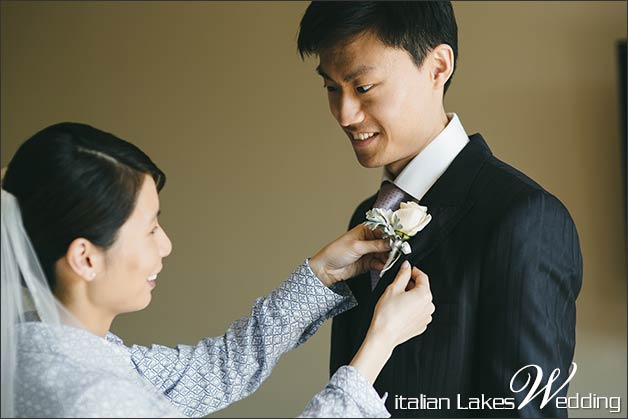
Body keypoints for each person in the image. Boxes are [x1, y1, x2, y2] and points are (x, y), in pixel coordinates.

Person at [0, 122, 436, 418]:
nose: (166, 245)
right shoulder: (94, 399)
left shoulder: (37, 343)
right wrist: (379, 345)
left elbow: (212, 372)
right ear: (85, 257)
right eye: (151, 229)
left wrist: (319, 275)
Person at [297, 2, 583, 417]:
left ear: (437, 67)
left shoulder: (524, 218)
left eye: (362, 88)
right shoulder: (366, 219)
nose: (344, 113)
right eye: (330, 88)